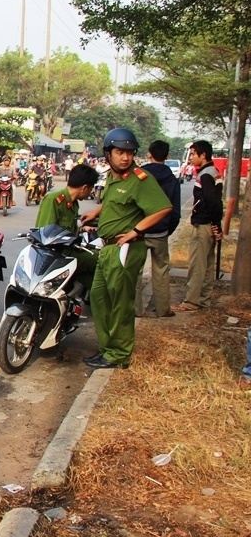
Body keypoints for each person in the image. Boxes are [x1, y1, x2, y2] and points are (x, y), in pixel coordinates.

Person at [79, 128, 172, 369]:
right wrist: (96, 212)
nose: (125, 158)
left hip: (126, 249)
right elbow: (113, 202)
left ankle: (119, 352)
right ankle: (107, 348)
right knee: (99, 298)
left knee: (120, 302)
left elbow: (163, 208)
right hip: (106, 248)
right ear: (108, 154)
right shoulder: (112, 177)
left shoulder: (140, 179)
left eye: (129, 153)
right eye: (120, 152)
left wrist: (137, 231)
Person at [173, 139, 223, 312]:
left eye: (194, 154)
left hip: (202, 225)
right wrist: (217, 225)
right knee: (207, 265)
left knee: (197, 265)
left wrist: (215, 223)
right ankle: (204, 300)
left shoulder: (206, 175)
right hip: (209, 225)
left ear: (203, 155)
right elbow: (217, 203)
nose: (192, 157)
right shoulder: (213, 172)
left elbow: (212, 202)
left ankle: (191, 301)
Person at [35, 164, 100, 291]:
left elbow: (69, 230)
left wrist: (82, 229)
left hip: (69, 250)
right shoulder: (54, 199)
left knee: (96, 284)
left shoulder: (73, 203)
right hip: (58, 254)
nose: (91, 192)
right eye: (91, 188)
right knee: (102, 259)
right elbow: (45, 234)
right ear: (85, 187)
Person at [135, 140, 181, 318]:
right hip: (161, 231)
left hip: (140, 230)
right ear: (167, 156)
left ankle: (136, 310)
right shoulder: (172, 179)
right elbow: (175, 212)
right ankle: (163, 310)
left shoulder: (140, 175)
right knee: (161, 270)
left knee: (136, 270)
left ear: (149, 154)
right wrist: (168, 230)